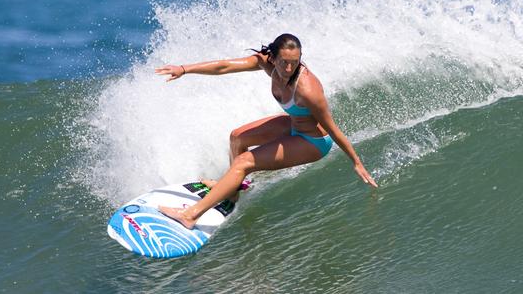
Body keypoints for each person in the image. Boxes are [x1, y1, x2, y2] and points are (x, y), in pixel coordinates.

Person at [155, 33, 378, 229]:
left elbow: (334, 129)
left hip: (313, 142)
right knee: (237, 137)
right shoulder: (266, 63)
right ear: (273, 57)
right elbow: (225, 66)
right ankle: (231, 192)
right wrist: (184, 69)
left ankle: (190, 215)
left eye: (294, 62)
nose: (288, 69)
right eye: (284, 62)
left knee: (243, 162)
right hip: (292, 124)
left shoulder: (308, 89)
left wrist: (356, 162)